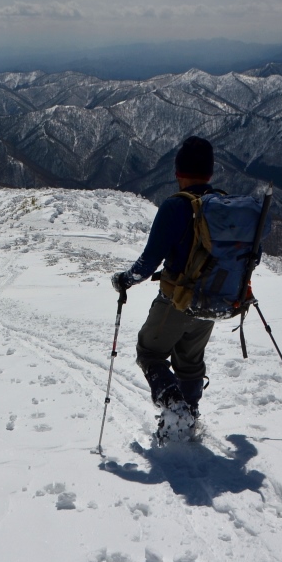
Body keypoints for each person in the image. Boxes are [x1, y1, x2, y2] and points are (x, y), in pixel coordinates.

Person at [111, 136, 219, 444]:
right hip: (212, 302)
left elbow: (148, 262)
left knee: (150, 351)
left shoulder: (175, 206)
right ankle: (189, 416)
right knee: (190, 362)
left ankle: (175, 410)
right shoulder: (223, 207)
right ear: (210, 173)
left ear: (177, 171)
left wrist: (125, 280)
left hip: (177, 300)